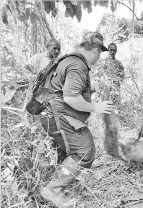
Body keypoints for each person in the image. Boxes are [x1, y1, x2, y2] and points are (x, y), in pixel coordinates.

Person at [39, 32, 113, 207]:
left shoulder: (69, 60)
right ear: (95, 51)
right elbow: (71, 98)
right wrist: (96, 107)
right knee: (84, 150)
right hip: (58, 116)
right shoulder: (78, 65)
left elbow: (67, 87)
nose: (98, 57)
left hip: (51, 114)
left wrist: (93, 87)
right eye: (99, 54)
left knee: (69, 152)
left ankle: (64, 188)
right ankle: (53, 190)